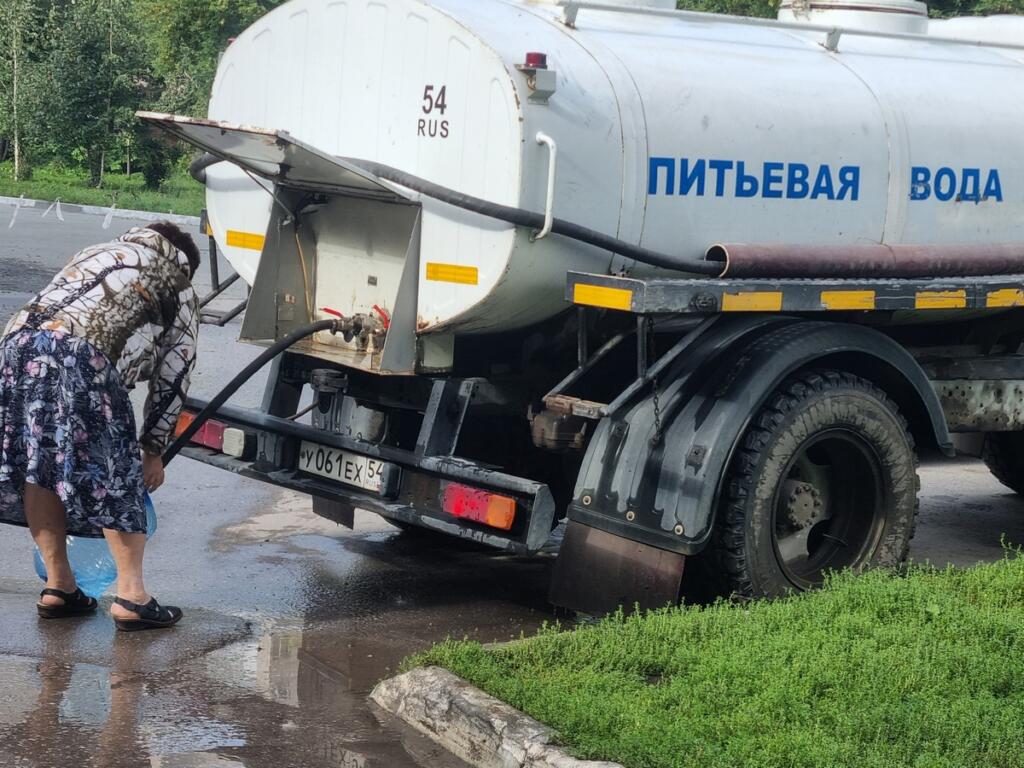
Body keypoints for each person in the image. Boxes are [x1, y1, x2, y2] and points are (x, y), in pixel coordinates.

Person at [0, 222, 200, 631]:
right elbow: (175, 374)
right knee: (113, 476)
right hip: (80, 357)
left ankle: (59, 588)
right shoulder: (177, 283)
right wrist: (153, 450)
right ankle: (132, 597)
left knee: (39, 468)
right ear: (185, 261)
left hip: (15, 348)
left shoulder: (97, 251)